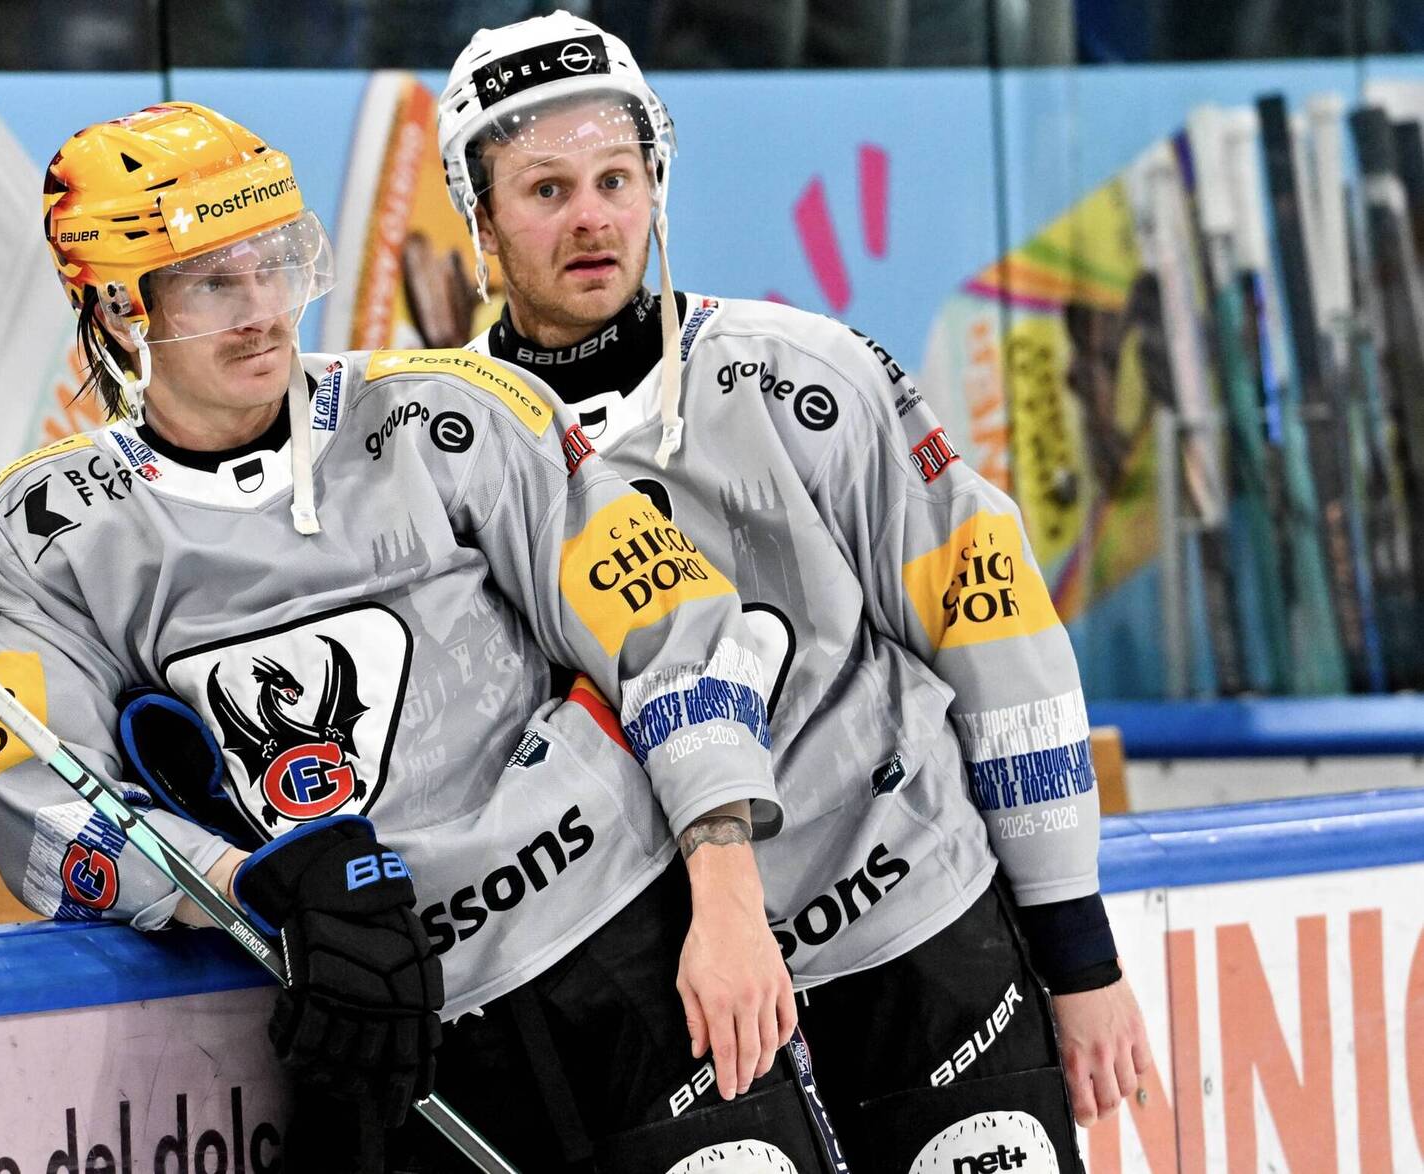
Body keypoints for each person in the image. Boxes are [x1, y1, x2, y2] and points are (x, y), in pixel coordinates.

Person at [0, 101, 834, 1172]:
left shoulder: (451, 416)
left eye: (277, 264)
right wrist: (238, 880)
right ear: (122, 312)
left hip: (624, 957)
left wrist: (731, 898)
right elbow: (33, 808)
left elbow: (675, 638)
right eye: (211, 283)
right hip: (386, 1033)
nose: (263, 311)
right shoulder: (41, 535)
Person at [439, 14, 1153, 1171]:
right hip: (660, 996)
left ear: (655, 185)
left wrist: (1077, 954)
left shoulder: (808, 377)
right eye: (545, 188)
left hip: (909, 930)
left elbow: (997, 638)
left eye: (616, 178)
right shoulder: (442, 447)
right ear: (477, 219)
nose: (591, 217)